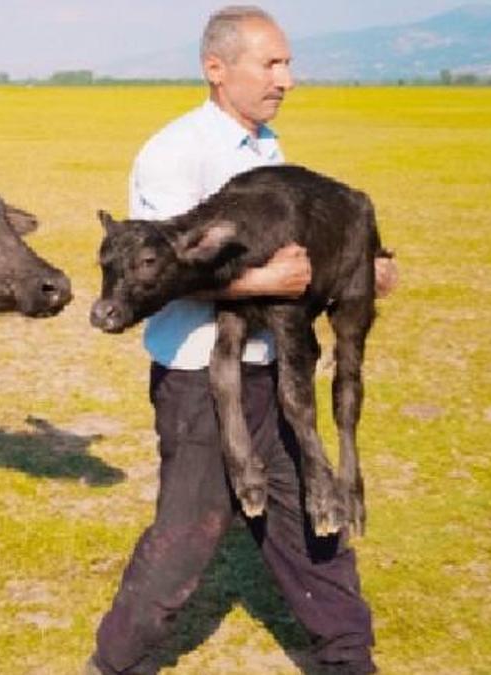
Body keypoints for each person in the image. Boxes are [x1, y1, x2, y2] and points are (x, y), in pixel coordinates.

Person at [86, 6, 396, 674]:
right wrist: (265, 279)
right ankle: (113, 665)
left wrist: (356, 267)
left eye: (288, 63)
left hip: (273, 369)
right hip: (201, 378)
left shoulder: (264, 151)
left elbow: (297, 254)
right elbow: (151, 273)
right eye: (272, 63)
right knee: (184, 541)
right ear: (217, 68)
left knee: (312, 521)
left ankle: (347, 657)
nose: (287, 78)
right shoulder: (176, 152)